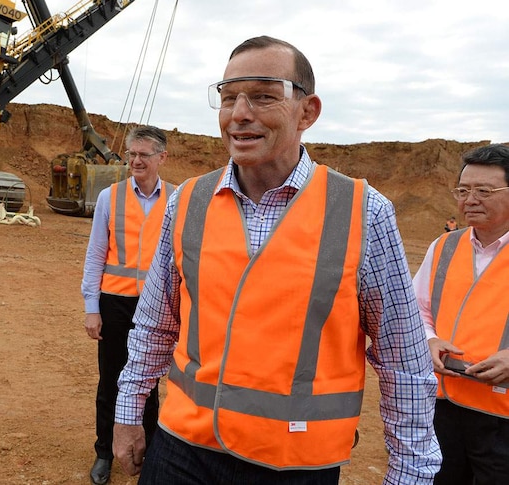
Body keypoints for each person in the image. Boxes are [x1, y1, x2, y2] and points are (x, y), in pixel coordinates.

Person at [112, 35, 442, 484]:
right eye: (228, 98)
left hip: (296, 463)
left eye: (264, 96)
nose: (240, 113)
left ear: (308, 112)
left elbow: (403, 359)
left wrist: (411, 473)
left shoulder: (363, 212)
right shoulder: (188, 201)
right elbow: (156, 322)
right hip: (183, 451)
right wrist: (129, 413)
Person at [81, 125, 175, 485]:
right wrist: (92, 307)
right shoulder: (111, 197)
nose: (135, 160)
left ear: (161, 158)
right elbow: (95, 254)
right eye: (131, 154)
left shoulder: (178, 199)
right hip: (115, 303)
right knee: (111, 381)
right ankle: (104, 451)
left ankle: (149, 451)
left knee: (148, 381)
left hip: (156, 306)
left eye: (143, 155)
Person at [412, 143, 509, 485]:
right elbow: (417, 309)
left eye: (485, 190)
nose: (471, 199)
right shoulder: (444, 246)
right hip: (445, 406)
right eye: (464, 190)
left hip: (503, 420)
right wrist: (430, 339)